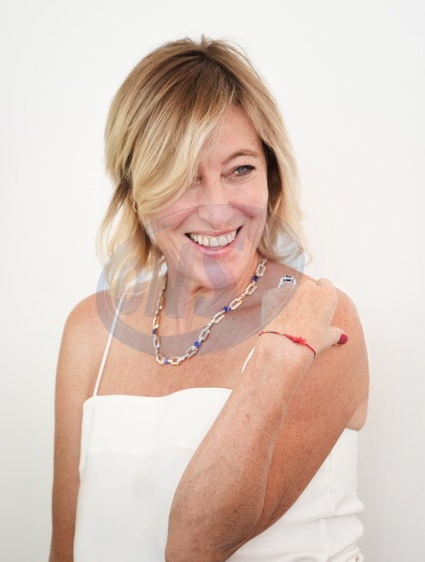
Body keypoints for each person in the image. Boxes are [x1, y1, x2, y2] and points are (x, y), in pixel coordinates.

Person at [49, 37, 369, 562]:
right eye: (182, 178)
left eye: (240, 169)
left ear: (271, 176)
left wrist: (277, 352)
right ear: (137, 192)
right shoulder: (89, 333)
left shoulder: (320, 320)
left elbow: (197, 543)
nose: (218, 211)